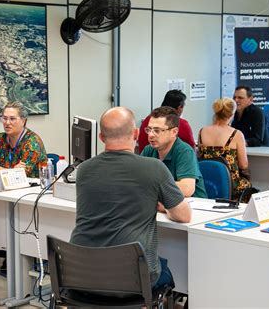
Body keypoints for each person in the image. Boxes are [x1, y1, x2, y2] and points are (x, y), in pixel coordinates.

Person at [70, 106, 191, 291]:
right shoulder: (154, 168)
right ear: (135, 134)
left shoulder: (84, 170)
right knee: (166, 271)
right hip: (133, 278)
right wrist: (162, 206)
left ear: (101, 137)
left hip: (82, 275)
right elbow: (184, 215)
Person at [141, 106, 207, 198]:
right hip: (163, 202)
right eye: (149, 130)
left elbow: (187, 188)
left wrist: (151, 185)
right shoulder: (148, 150)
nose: (151, 135)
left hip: (194, 207)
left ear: (174, 132)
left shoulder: (184, 151)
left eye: (157, 130)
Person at [198, 98, 252, 200]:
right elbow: (243, 165)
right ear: (232, 114)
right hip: (230, 182)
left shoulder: (202, 131)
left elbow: (200, 157)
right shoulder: (236, 134)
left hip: (207, 180)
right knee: (248, 187)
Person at [0, 101, 47, 178]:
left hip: (33, 187)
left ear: (23, 121)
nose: (7, 122)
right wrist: (12, 171)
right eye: (4, 118)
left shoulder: (32, 141)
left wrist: (0, 172)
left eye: (12, 119)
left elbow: (22, 174)